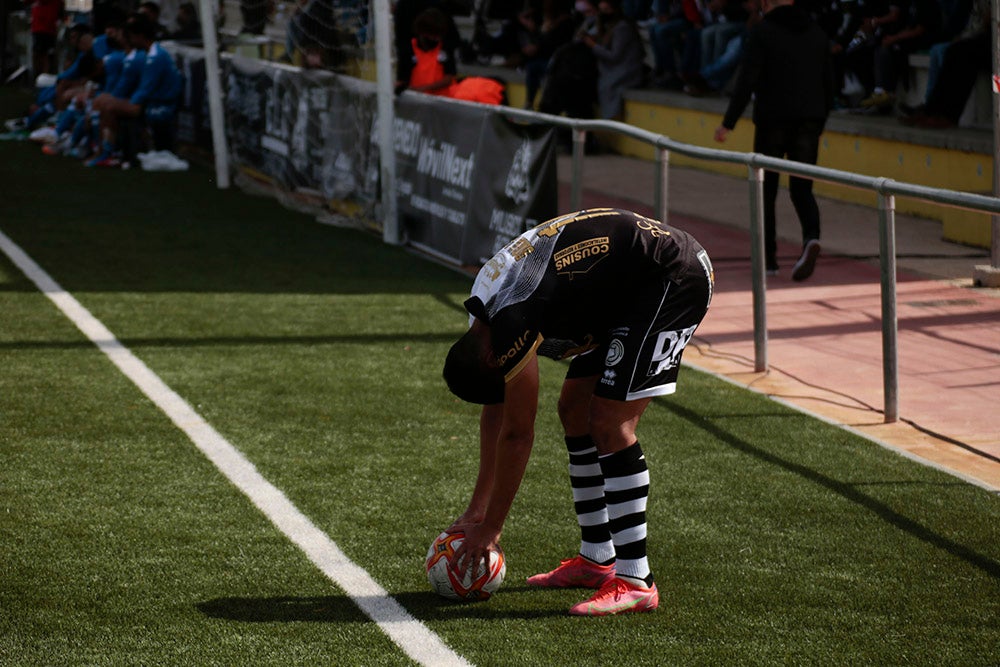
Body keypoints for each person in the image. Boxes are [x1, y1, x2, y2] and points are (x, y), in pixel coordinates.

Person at [442, 207, 714, 617]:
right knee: (574, 410)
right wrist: (476, 510)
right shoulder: (482, 312)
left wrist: (492, 528)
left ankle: (637, 580)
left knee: (609, 422)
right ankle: (596, 559)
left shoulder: (511, 319)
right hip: (620, 288)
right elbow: (497, 411)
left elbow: (518, 433)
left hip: (671, 276)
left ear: (493, 361)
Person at [714, 0, 833, 281]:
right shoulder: (817, 33)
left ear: (767, 4)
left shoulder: (763, 32)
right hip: (809, 120)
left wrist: (728, 123)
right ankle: (811, 238)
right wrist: (819, 121)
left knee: (766, 190)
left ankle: (769, 260)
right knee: (802, 188)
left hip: (773, 120)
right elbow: (829, 82)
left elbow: (748, 80)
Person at [580, 0, 646, 120]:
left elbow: (614, 56)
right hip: (614, 66)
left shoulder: (623, 27)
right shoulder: (606, 26)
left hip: (627, 69)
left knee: (606, 85)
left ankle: (611, 116)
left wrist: (593, 46)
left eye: (607, 10)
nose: (604, 14)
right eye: (601, 10)